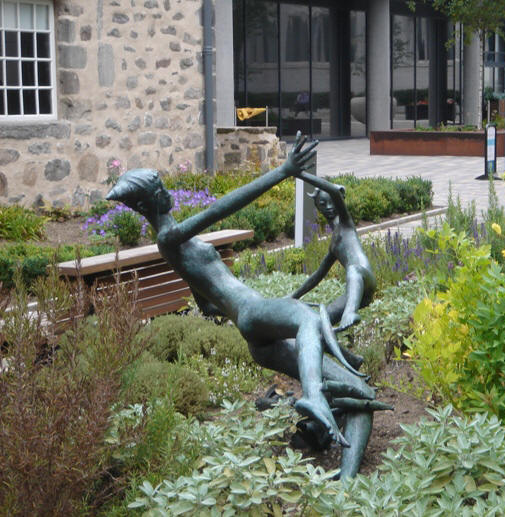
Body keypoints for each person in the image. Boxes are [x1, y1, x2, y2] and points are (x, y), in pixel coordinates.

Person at [105, 137, 361, 450]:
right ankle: (313, 397)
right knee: (306, 317)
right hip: (250, 313)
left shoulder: (176, 245)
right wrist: (282, 171)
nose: (166, 193)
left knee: (353, 385)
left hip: (253, 326)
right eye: (159, 192)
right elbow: (220, 209)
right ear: (145, 206)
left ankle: (329, 440)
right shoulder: (169, 237)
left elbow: (205, 304)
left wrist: (253, 308)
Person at [290, 170, 376, 332]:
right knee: (321, 320)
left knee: (353, 269)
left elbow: (335, 193)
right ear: (317, 206)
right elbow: (317, 276)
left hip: (364, 277)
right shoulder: (334, 246)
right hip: (356, 292)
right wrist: (292, 297)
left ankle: (350, 312)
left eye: (332, 203)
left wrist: (301, 174)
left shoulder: (346, 224)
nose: (328, 207)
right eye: (323, 204)